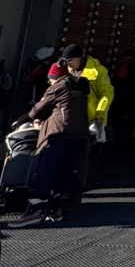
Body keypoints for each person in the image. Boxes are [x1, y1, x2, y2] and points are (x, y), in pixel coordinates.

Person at [10, 46, 92, 227]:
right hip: (79, 135)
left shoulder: (58, 87)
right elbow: (65, 109)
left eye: (49, 80)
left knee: (46, 169)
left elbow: (39, 108)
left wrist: (22, 119)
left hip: (60, 135)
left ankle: (36, 209)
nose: (49, 83)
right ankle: (57, 209)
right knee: (65, 171)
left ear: (54, 77)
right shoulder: (78, 85)